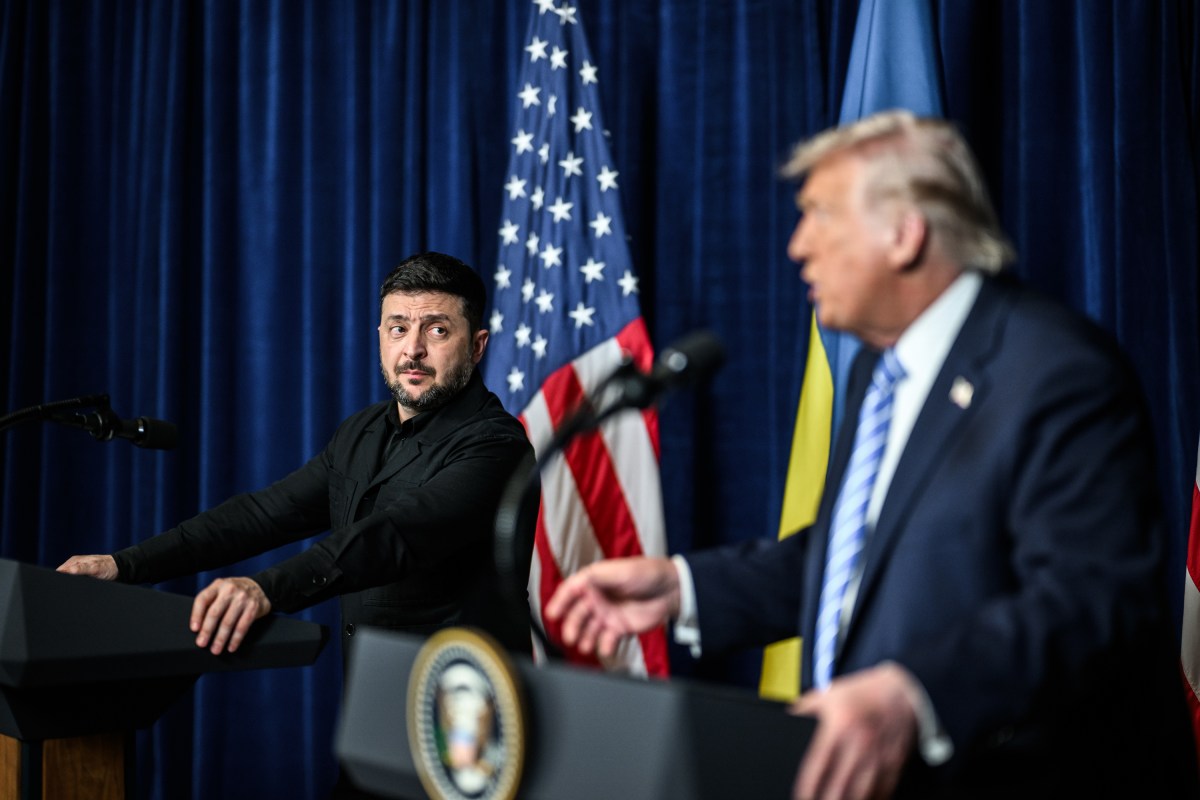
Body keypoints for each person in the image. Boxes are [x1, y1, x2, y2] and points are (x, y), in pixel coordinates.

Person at [545, 111, 1197, 799]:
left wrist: (914, 694)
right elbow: (852, 563)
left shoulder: (1054, 370)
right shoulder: (878, 374)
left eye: (820, 215)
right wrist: (682, 587)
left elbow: (1091, 600)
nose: (798, 246)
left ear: (904, 234)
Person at [59, 252, 535, 660]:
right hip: (371, 707)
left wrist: (265, 589)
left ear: (476, 347)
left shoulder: (497, 445)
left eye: (436, 330)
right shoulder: (361, 432)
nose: (412, 349)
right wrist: (124, 565)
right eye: (398, 328)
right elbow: (263, 515)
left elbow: (392, 536)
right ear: (380, 336)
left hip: (468, 718)